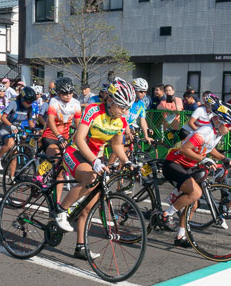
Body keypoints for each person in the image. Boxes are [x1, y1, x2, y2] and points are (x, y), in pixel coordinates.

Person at [55, 77, 136, 260]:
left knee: (88, 206)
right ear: (110, 100)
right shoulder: (93, 110)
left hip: (95, 158)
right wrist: (94, 160)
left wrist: (128, 162)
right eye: (122, 107)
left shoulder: (120, 121)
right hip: (76, 152)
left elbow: (117, 146)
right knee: (90, 179)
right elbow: (79, 139)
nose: (125, 111)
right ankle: (61, 211)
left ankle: (80, 247)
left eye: (127, 107)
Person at [161, 101, 231, 247]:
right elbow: (185, 149)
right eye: (228, 125)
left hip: (187, 165)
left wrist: (223, 158)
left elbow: (209, 148)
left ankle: (180, 236)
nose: (230, 128)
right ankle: (166, 214)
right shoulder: (205, 132)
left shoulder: (216, 133)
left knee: (193, 204)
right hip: (174, 163)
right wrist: (204, 159)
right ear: (219, 121)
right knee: (195, 193)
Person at [40, 77, 81, 203]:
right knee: (56, 156)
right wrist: (59, 135)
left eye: (70, 93)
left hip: (65, 138)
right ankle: (39, 175)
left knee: (60, 173)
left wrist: (80, 138)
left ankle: (57, 202)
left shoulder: (76, 104)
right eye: (64, 93)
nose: (68, 96)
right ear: (58, 93)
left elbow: (78, 124)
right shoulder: (54, 102)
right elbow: (50, 121)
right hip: (50, 136)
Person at [0, 86, 37, 172]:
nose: (30, 103)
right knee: (10, 143)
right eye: (28, 101)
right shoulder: (14, 104)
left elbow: (30, 121)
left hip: (15, 129)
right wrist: (11, 125)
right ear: (22, 98)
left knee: (15, 154)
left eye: (31, 102)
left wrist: (34, 128)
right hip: (4, 127)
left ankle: (12, 178)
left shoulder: (29, 108)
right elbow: (3, 118)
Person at [128, 78, 153, 144]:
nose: (144, 94)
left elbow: (143, 120)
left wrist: (146, 136)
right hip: (121, 127)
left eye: (145, 92)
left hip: (131, 127)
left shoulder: (141, 104)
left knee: (129, 152)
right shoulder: (127, 101)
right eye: (141, 91)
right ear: (134, 90)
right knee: (121, 149)